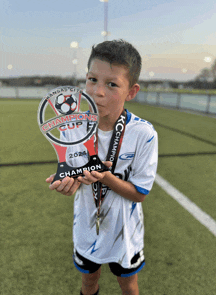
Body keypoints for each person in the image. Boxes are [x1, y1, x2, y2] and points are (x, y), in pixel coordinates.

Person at [46, 39, 158, 295]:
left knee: (128, 285)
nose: (97, 91)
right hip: (86, 225)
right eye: (92, 79)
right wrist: (67, 183)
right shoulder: (72, 127)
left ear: (131, 91)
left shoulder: (143, 133)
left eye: (112, 84)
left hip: (124, 232)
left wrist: (105, 177)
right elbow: (75, 179)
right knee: (88, 282)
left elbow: (140, 193)